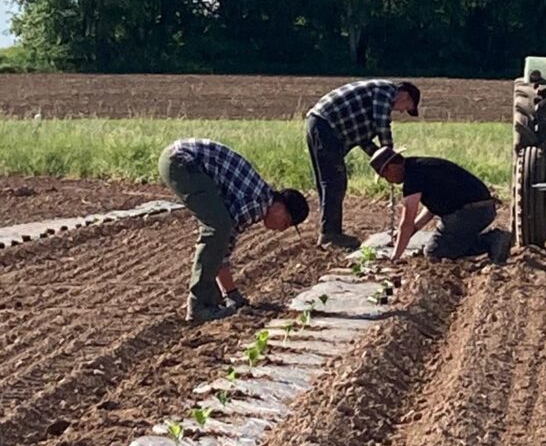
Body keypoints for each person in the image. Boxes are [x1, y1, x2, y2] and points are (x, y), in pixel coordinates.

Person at [158, 138, 309, 323]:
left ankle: (211, 301)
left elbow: (222, 246)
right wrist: (232, 293)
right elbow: (222, 241)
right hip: (183, 161)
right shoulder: (258, 204)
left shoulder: (260, 196)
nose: (280, 230)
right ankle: (200, 306)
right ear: (280, 207)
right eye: (285, 223)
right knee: (217, 229)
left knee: (218, 230)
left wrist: (231, 293)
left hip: (179, 158)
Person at [306, 79, 420, 249]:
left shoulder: (369, 106)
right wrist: (389, 155)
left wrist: (380, 160)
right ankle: (330, 235)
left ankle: (328, 232)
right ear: (405, 94)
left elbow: (363, 140)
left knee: (328, 183)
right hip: (326, 126)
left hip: (319, 124)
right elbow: (382, 123)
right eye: (407, 106)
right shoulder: (386, 91)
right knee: (334, 183)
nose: (402, 111)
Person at [369, 146, 512, 265]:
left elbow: (406, 221)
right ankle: (491, 240)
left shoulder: (413, 177)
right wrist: (413, 231)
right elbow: (431, 210)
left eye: (385, 176)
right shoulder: (418, 167)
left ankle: (491, 240)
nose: (389, 181)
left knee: (434, 252)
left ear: (391, 168)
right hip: (482, 209)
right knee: (450, 241)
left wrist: (395, 257)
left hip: (468, 212)